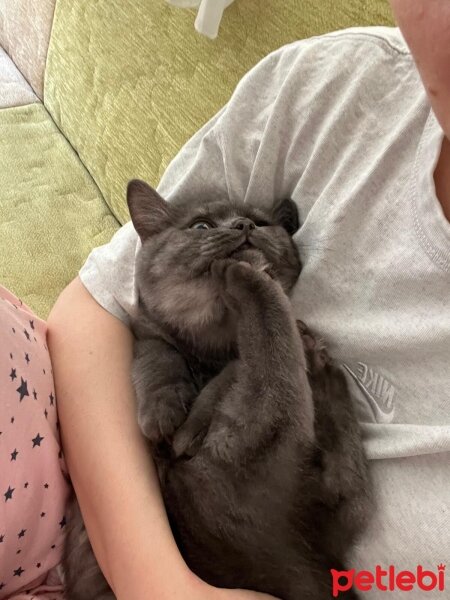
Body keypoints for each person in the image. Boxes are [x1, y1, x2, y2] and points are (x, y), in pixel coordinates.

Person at [2, 0, 448, 598]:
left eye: (258, 228)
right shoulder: (332, 87)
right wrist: (159, 584)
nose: (239, 232)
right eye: (210, 230)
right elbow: (94, 309)